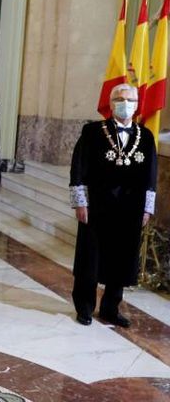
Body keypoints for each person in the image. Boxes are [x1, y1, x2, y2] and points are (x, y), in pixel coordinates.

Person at [69, 83, 157, 328]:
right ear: (111, 102)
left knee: (120, 259)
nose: (125, 103)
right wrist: (80, 202)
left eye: (130, 99)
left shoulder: (146, 136)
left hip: (130, 208)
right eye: (120, 98)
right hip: (96, 206)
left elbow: (151, 174)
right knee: (90, 259)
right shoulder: (92, 132)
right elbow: (78, 167)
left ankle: (110, 308)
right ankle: (85, 307)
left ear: (137, 105)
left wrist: (147, 208)